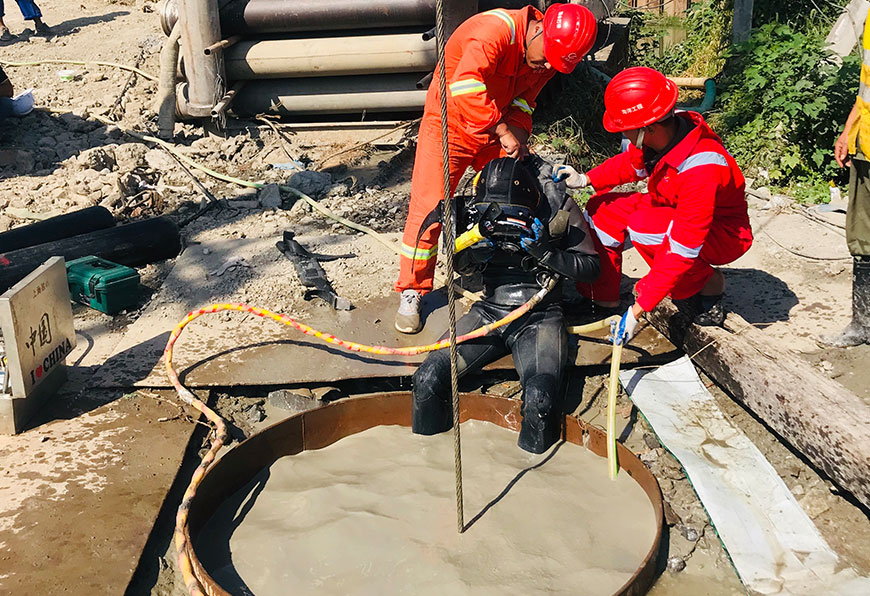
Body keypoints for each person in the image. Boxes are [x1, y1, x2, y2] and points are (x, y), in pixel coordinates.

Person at [394, 3, 598, 334]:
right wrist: (503, 131)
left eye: (555, 64)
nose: (547, 66)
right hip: (449, 127)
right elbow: (465, 86)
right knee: (429, 209)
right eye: (547, 58)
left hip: (496, 128)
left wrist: (517, 134)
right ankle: (413, 289)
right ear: (539, 29)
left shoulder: (547, 56)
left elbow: (525, 101)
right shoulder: (493, 32)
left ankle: (503, 270)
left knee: (512, 198)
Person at [411, 156, 600, 454]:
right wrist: (475, 254)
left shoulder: (558, 207)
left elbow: (591, 267)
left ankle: (533, 472)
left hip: (540, 315)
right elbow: (460, 264)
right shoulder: (472, 211)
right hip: (490, 311)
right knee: (427, 378)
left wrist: (547, 253)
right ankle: (426, 459)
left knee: (539, 400)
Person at [554, 66, 753, 345]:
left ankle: (707, 284)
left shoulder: (702, 169)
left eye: (624, 128)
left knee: (644, 227)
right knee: (602, 209)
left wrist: (639, 308)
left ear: (648, 127)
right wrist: (586, 179)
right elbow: (631, 164)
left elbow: (684, 246)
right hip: (673, 206)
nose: (622, 133)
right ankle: (602, 298)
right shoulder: (665, 132)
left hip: (722, 233)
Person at [819, 16, 870, 347]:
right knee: (863, 239)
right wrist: (848, 130)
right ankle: (863, 324)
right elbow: (867, 87)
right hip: (866, 144)